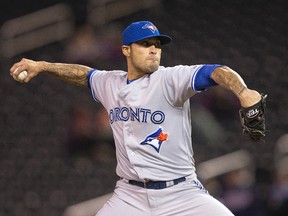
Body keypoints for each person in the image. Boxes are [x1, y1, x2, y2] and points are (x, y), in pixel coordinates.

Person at [10, 21, 262, 216]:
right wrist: (43, 66)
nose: (154, 49)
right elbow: (83, 75)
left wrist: (242, 91)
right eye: (145, 44)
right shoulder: (110, 82)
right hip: (130, 195)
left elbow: (216, 71)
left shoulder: (170, 79)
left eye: (157, 44)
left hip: (181, 192)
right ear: (126, 50)